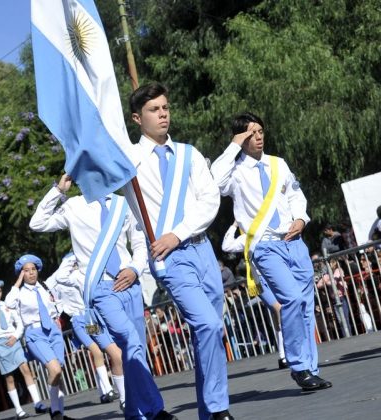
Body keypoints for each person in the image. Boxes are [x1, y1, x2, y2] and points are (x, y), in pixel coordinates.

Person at [30, 174, 171, 419]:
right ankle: (156, 409)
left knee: (135, 353)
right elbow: (37, 223)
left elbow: (139, 242)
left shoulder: (122, 203)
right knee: (130, 342)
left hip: (130, 283)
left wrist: (135, 269)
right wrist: (58, 191)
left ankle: (134, 412)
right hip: (101, 288)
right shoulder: (73, 206)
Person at [129, 82, 229, 420]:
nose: (162, 114)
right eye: (154, 110)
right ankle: (218, 409)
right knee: (208, 326)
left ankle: (207, 411)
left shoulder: (189, 153)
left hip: (202, 250)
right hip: (171, 259)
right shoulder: (127, 162)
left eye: (165, 108)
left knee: (211, 331)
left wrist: (179, 232)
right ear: (137, 118)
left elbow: (210, 200)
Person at [211, 112, 332, 392]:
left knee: (304, 305)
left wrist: (301, 218)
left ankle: (311, 368)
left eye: (260, 131)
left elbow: (294, 194)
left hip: (294, 241)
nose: (258, 137)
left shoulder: (278, 164)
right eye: (251, 133)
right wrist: (233, 145)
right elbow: (214, 182)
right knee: (290, 299)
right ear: (240, 138)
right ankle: (299, 366)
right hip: (264, 245)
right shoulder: (235, 172)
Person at [42, 254, 124, 408]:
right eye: (73, 262)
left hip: (90, 319)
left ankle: (102, 391)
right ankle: (108, 390)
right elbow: (51, 292)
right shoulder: (59, 280)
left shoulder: (81, 276)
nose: (75, 264)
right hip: (78, 321)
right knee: (97, 352)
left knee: (102, 350)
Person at [4, 255, 75, 420]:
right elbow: (8, 302)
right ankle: (56, 411)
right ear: (21, 274)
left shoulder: (45, 286)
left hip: (53, 332)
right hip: (35, 334)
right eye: (26, 271)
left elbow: (56, 302)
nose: (31, 273)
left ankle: (59, 414)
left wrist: (57, 317)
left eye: (33, 269)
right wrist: (18, 282)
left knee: (58, 373)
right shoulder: (19, 293)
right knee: (54, 369)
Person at [221, 221, 287, 369]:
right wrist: (234, 225)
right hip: (258, 280)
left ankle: (283, 354)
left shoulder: (270, 231)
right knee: (279, 309)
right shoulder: (247, 237)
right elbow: (226, 245)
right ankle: (287, 352)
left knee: (278, 315)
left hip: (276, 275)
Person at [0, 279, 49, 418]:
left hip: (13, 340)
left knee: (26, 369)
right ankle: (19, 410)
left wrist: (15, 336)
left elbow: (19, 323)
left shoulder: (6, 306)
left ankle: (38, 403)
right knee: (9, 378)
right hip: (0, 343)